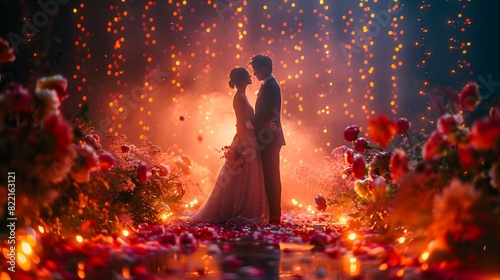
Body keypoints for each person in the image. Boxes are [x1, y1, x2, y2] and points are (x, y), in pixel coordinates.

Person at [190, 67, 270, 224]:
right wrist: (241, 141)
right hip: (245, 138)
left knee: (244, 175)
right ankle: (237, 209)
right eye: (248, 75)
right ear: (241, 80)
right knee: (242, 174)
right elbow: (241, 123)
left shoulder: (242, 96)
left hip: (247, 137)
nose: (251, 76)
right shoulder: (239, 98)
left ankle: (238, 206)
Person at [247, 54, 286, 224]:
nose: (255, 75)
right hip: (268, 136)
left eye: (256, 71)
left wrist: (250, 123)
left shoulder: (271, 86)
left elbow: (268, 112)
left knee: (271, 176)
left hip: (269, 138)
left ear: (264, 68)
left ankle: (275, 216)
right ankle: (273, 214)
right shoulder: (268, 85)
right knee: (270, 176)